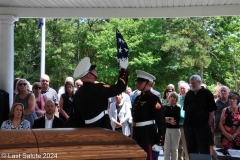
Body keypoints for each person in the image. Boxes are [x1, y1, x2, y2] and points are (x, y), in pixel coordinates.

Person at [71, 57, 128, 129]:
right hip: (102, 127)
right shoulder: (98, 88)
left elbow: (76, 119)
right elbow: (120, 87)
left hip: (86, 129)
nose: (95, 70)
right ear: (89, 75)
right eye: (94, 69)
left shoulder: (77, 94)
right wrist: (124, 70)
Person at [132, 70, 166, 160]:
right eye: (138, 81)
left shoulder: (153, 99)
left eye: (140, 82)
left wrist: (160, 142)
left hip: (148, 137)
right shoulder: (137, 98)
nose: (138, 84)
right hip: (137, 136)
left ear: (148, 84)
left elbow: (161, 120)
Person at [183, 75, 216, 154]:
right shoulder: (189, 94)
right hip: (189, 126)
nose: (192, 85)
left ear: (199, 82)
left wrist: (209, 123)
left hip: (202, 126)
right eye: (191, 84)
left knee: (204, 148)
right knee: (191, 148)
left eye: (194, 83)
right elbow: (186, 109)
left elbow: (212, 110)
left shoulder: (207, 93)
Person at [163, 91, 181, 160]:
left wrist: (167, 119)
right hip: (166, 129)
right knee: (166, 148)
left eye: (174, 97)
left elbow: (177, 119)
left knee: (174, 148)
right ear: (168, 98)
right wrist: (169, 119)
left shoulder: (178, 108)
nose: (172, 98)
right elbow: (162, 118)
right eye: (171, 97)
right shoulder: (164, 107)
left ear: (176, 99)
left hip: (175, 130)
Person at [177, 81, 190, 160]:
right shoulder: (177, 99)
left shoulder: (191, 99)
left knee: (186, 147)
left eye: (184, 88)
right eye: (181, 88)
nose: (182, 90)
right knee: (178, 147)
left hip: (187, 126)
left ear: (188, 89)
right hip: (177, 126)